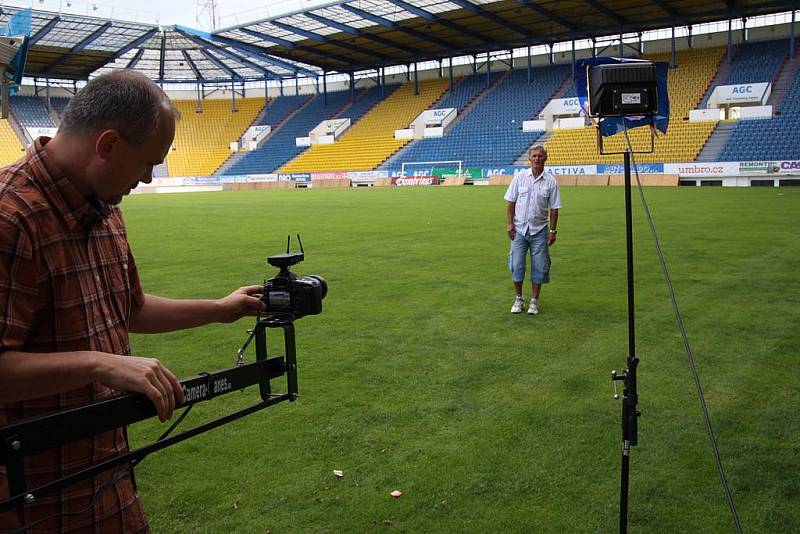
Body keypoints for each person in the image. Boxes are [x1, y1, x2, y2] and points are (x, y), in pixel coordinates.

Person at [0, 70, 265, 532]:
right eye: (147, 163)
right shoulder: (10, 218)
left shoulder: (104, 208)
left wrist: (222, 309)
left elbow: (130, 309)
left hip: (109, 479)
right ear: (107, 145)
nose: (147, 178)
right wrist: (101, 363)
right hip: (30, 498)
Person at [504, 145, 561, 315]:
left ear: (545, 158)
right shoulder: (520, 177)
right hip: (519, 230)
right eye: (534, 156)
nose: (537, 159)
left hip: (540, 231)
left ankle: (534, 301)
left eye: (540, 156)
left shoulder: (551, 181)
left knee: (540, 266)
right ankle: (519, 298)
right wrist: (510, 224)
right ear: (529, 159)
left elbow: (555, 208)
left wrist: (552, 231)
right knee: (516, 265)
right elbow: (511, 203)